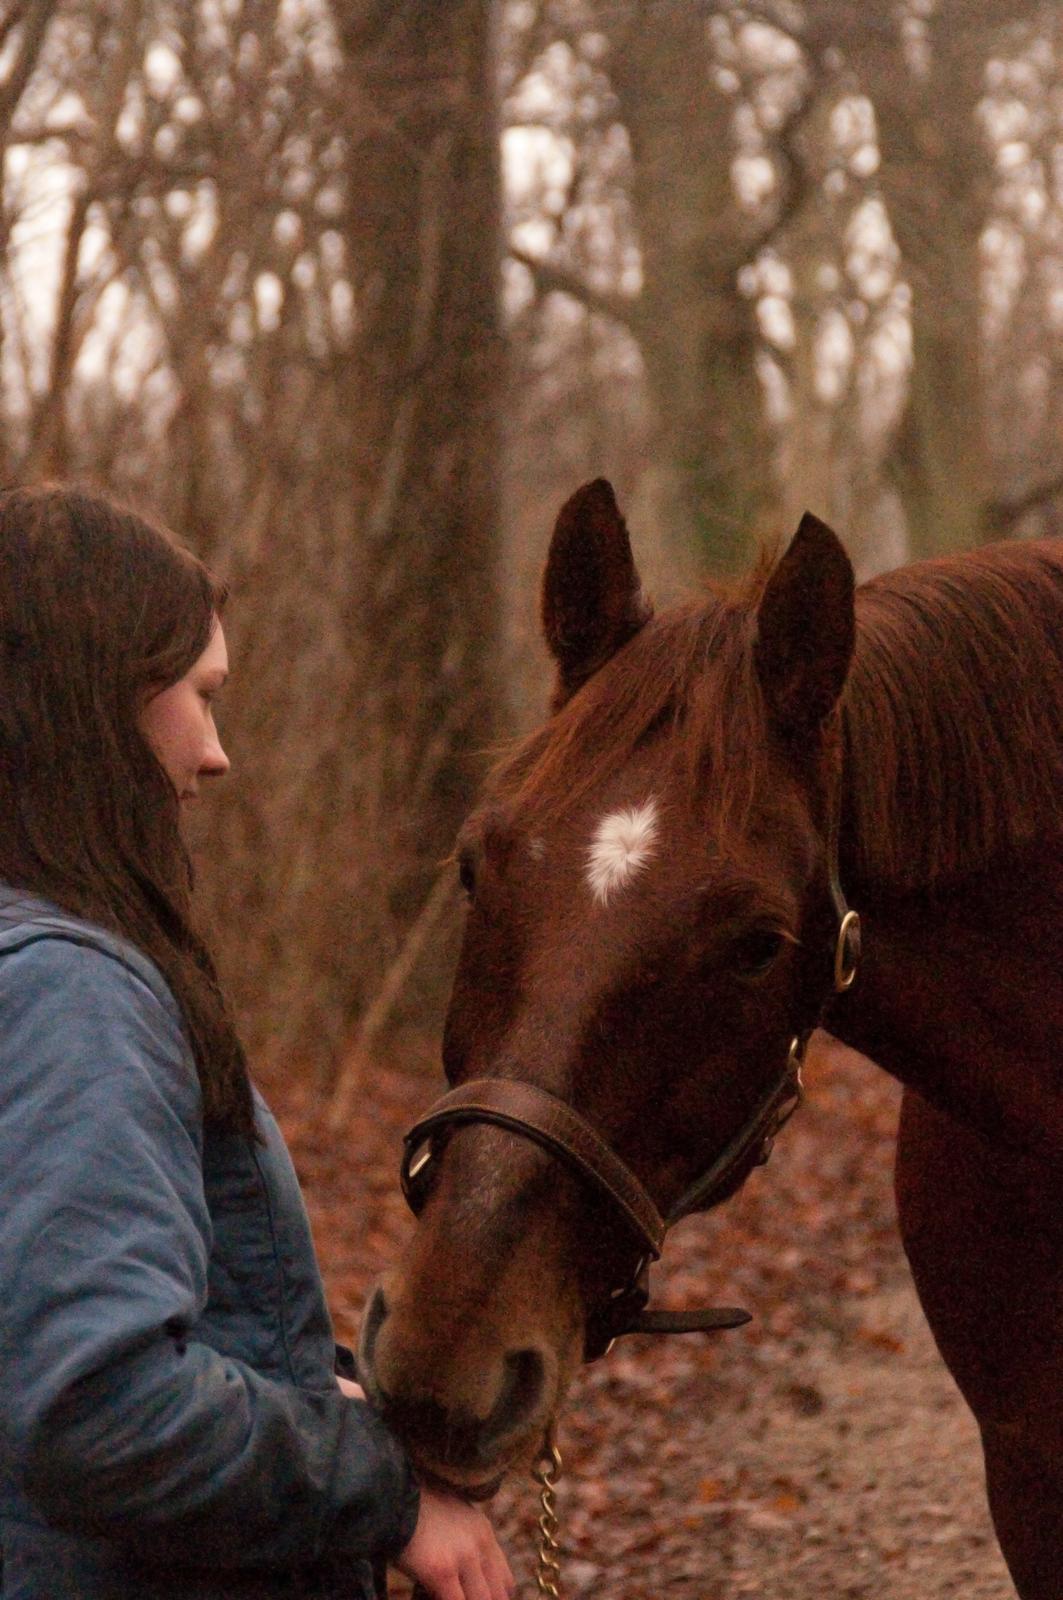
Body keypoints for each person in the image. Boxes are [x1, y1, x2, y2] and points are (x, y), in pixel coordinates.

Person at [0, 485, 514, 1600]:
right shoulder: (69, 991)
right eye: (200, 694)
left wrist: (316, 1397)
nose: (218, 752)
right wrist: (379, 1486)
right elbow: (101, 1410)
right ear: (105, 701)